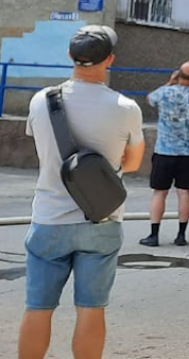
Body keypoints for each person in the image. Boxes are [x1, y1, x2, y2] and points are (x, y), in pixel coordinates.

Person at [19, 25, 145, 359]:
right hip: (101, 221)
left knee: (38, 308)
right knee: (91, 309)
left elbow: (44, 150)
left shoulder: (41, 101)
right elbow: (131, 164)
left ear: (70, 57)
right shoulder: (125, 107)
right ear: (110, 60)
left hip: (49, 218)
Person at [139, 61, 189, 247]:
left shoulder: (165, 93)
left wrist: (169, 82)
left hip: (164, 152)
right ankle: (181, 235)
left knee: (160, 193)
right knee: (184, 193)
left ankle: (154, 234)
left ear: (178, 75)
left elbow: (149, 99)